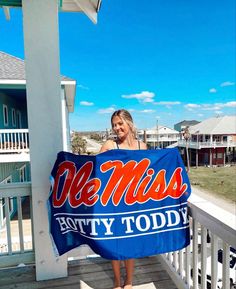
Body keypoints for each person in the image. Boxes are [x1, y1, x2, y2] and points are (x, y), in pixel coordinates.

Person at [99, 109, 147, 289]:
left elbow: (149, 173)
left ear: (129, 123)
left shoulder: (142, 147)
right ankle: (117, 280)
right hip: (113, 202)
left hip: (134, 202)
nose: (117, 128)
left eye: (120, 123)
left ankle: (129, 281)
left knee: (130, 242)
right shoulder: (110, 146)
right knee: (114, 242)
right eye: (114, 125)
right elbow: (94, 169)